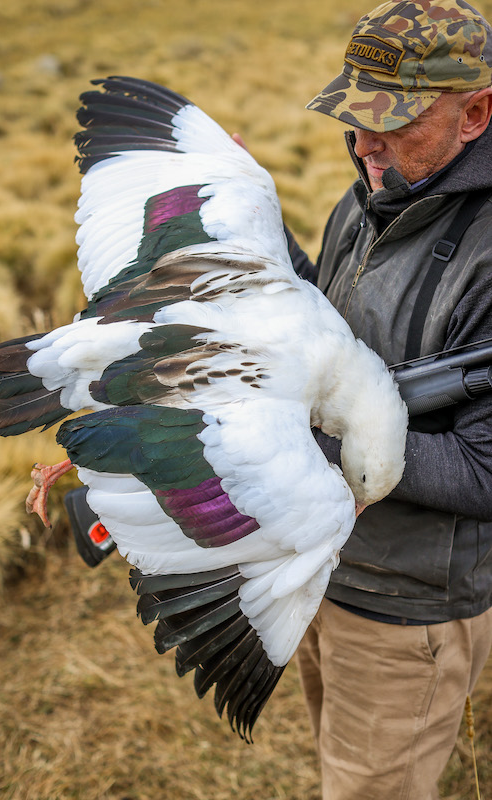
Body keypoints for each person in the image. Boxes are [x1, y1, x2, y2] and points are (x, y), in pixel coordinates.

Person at [282, 1, 492, 798]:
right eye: (353, 111)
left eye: (391, 121)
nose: (363, 143)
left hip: (407, 609)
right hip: (322, 563)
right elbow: (327, 328)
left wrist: (310, 442)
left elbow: (483, 473)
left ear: (475, 113)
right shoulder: (377, 189)